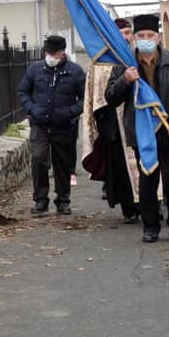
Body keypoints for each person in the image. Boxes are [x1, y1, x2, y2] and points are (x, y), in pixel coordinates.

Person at [105, 14, 169, 244]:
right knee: (148, 179)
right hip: (142, 131)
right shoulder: (124, 64)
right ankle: (150, 225)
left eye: (150, 35)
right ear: (135, 39)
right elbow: (110, 98)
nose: (145, 39)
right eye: (141, 36)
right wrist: (125, 81)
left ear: (158, 37)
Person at [18, 35, 87, 215]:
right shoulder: (35, 69)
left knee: (62, 162)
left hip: (63, 125)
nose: (50, 56)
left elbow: (85, 98)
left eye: (54, 53)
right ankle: (40, 199)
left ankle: (63, 200)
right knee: (39, 158)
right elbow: (23, 91)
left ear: (62, 53)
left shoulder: (75, 72)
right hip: (39, 124)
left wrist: (70, 112)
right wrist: (32, 109)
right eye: (48, 52)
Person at [81, 18, 142, 222]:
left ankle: (150, 204)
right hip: (114, 125)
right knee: (121, 170)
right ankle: (129, 208)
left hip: (141, 122)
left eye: (127, 33)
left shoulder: (140, 57)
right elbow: (95, 98)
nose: (125, 37)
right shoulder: (101, 62)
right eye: (120, 33)